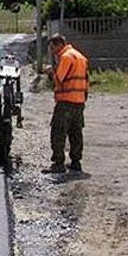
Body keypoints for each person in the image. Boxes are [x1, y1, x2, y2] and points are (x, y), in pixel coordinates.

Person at [42, 33, 90, 175]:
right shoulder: (80, 57)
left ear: (59, 45)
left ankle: (58, 163)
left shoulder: (66, 57)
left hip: (66, 101)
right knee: (76, 133)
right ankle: (76, 162)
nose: (52, 51)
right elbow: (86, 80)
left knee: (58, 132)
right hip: (79, 100)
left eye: (52, 47)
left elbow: (59, 79)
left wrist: (51, 72)